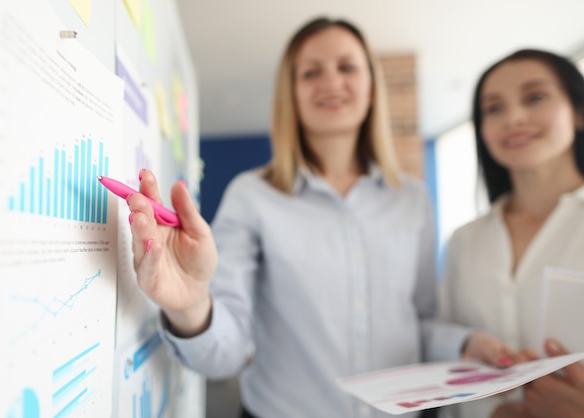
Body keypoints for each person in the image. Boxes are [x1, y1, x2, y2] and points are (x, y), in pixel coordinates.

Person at [127, 17, 518, 418]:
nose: (331, 82)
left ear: (371, 88)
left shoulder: (412, 199)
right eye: (311, 72)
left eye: (347, 67)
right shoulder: (252, 196)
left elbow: (416, 323)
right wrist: (191, 307)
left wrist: (465, 344)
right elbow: (225, 354)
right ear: (291, 94)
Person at [438, 48, 584, 418]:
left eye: (535, 97)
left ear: (578, 111)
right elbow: (448, 356)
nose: (514, 118)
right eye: (494, 108)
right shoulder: (464, 242)